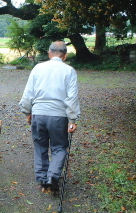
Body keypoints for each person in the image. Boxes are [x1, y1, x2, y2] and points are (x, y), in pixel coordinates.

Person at [19, 41, 80, 191]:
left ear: (49, 53)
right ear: (65, 56)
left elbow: (28, 94)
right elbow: (72, 97)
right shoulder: (69, 71)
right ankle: (52, 176)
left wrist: (27, 112)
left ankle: (42, 178)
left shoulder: (38, 68)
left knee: (40, 146)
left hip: (38, 114)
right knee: (59, 147)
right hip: (59, 116)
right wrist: (72, 119)